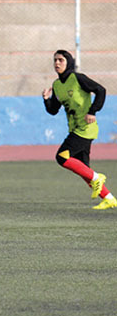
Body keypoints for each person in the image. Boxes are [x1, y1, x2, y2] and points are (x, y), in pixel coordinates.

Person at [43, 49, 116, 210]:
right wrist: (46, 100)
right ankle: (109, 198)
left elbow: (100, 90)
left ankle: (97, 176)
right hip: (74, 129)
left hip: (85, 128)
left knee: (62, 157)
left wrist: (92, 111)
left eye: (61, 60)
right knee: (84, 169)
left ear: (68, 62)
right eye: (55, 60)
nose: (57, 63)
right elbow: (54, 110)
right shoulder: (56, 85)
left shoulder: (77, 78)